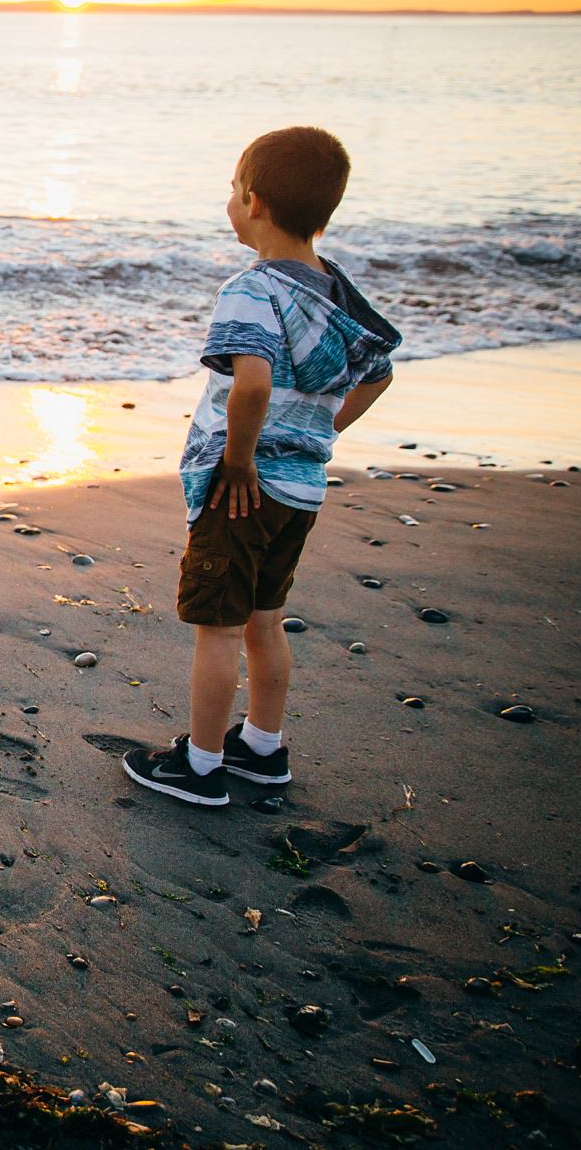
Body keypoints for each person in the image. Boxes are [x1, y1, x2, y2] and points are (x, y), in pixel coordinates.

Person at [122, 127, 401, 807]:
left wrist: (240, 463)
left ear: (252, 201)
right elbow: (379, 373)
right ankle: (263, 750)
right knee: (265, 621)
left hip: (242, 491)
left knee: (216, 627)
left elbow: (250, 384)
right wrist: (319, 431)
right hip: (301, 489)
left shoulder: (253, 291)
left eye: (230, 190)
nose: (229, 202)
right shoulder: (335, 295)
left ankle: (204, 765)